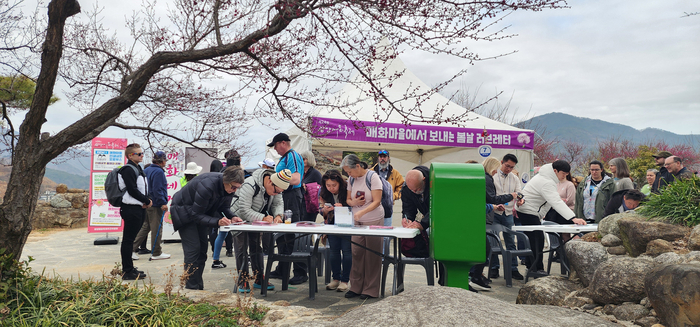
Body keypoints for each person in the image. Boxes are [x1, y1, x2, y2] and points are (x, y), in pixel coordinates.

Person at [170, 166, 245, 290]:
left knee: (203, 251)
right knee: (193, 250)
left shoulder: (228, 188)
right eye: (233, 187)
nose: (235, 190)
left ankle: (198, 285)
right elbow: (196, 214)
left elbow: (224, 207)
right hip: (183, 212)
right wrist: (217, 221)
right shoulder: (207, 185)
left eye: (238, 187)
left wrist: (233, 216)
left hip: (200, 214)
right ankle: (191, 287)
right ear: (226, 181)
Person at [516, 160, 585, 274]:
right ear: (555, 171)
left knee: (536, 239)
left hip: (530, 211)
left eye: (567, 174)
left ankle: (533, 267)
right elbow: (555, 201)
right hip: (528, 211)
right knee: (536, 240)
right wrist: (573, 218)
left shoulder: (545, 176)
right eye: (563, 174)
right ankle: (536, 269)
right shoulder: (546, 181)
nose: (564, 176)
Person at [230, 169, 288, 293]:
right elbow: (244, 209)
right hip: (239, 218)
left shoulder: (277, 186)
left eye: (279, 192)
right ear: (269, 182)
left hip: (256, 220)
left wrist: (278, 215)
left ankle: (259, 277)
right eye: (275, 191)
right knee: (241, 247)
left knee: (256, 246)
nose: (275, 194)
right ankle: (243, 278)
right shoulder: (250, 184)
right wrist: (262, 217)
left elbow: (278, 203)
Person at [341, 154, 383, 299]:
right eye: (347, 172)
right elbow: (348, 199)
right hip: (356, 222)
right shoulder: (352, 179)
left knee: (372, 255)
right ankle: (356, 287)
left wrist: (362, 212)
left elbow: (377, 201)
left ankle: (370, 289)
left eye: (349, 171)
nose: (348, 174)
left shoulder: (372, 177)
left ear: (358, 166)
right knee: (357, 253)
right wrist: (354, 203)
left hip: (373, 220)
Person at [267, 133, 307, 285]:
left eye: (275, 146)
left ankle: (300, 272)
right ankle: (282, 268)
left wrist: (275, 178)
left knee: (294, 234)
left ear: (283, 143)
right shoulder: (286, 157)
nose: (275, 149)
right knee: (283, 235)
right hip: (284, 196)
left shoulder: (293, 156)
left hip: (291, 196)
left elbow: (296, 178)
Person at [473, 157, 518, 290]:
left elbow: (483, 201)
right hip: (484, 216)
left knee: (486, 246)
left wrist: (493, 206)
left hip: (493, 212)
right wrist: (510, 196)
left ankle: (477, 275)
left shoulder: (482, 177)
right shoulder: (487, 178)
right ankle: (477, 275)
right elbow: (490, 198)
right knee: (485, 247)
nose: (496, 172)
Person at [118, 143, 152, 280]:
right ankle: (127, 271)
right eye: (139, 154)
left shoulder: (137, 168)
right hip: (131, 208)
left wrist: (146, 200)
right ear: (130, 155)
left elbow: (142, 188)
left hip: (138, 207)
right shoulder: (128, 169)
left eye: (142, 153)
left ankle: (130, 268)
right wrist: (146, 200)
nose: (142, 155)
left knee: (130, 239)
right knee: (128, 240)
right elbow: (132, 190)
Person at [490, 154, 524, 281]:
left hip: (508, 213)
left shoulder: (514, 178)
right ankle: (494, 267)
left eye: (511, 167)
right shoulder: (493, 176)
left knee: (510, 241)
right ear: (501, 162)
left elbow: (520, 193)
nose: (508, 169)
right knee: (493, 240)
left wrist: (521, 201)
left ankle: (513, 269)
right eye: (507, 166)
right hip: (494, 212)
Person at [132, 151, 170, 261]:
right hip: (156, 204)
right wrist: (163, 202)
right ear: (162, 161)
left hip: (147, 203)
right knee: (156, 228)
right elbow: (158, 189)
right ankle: (156, 252)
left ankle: (132, 249)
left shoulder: (146, 170)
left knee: (146, 227)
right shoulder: (158, 172)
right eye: (165, 161)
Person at [318, 170, 351, 292]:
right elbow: (320, 210)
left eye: (334, 185)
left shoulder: (347, 190)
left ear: (340, 183)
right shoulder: (323, 192)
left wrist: (343, 209)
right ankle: (335, 279)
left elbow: (354, 208)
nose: (331, 188)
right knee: (333, 252)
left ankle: (345, 280)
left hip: (347, 226)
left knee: (347, 252)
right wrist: (326, 210)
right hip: (331, 226)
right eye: (328, 185)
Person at [372, 149, 404, 226]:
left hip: (387, 207)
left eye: (384, 157)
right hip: (372, 207)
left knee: (386, 233)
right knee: (373, 231)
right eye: (380, 157)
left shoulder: (395, 173)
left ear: (389, 158)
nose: (382, 159)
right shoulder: (371, 172)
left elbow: (402, 188)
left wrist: (393, 196)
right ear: (378, 158)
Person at [301, 150, 323, 222]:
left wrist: (307, 187)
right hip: (302, 204)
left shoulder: (315, 173)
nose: (302, 161)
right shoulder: (301, 173)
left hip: (311, 206)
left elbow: (321, 188)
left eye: (304, 159)